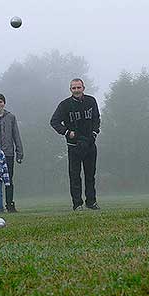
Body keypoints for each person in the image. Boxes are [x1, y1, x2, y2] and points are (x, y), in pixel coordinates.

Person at [50, 78, 101, 211]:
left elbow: (96, 118)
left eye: (79, 87)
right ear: (70, 89)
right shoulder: (65, 105)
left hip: (90, 144)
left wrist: (95, 133)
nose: (77, 90)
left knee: (90, 175)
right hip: (74, 146)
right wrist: (67, 132)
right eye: (74, 88)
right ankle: (77, 204)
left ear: (83, 88)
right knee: (75, 176)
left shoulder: (91, 101)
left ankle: (91, 202)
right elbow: (54, 121)